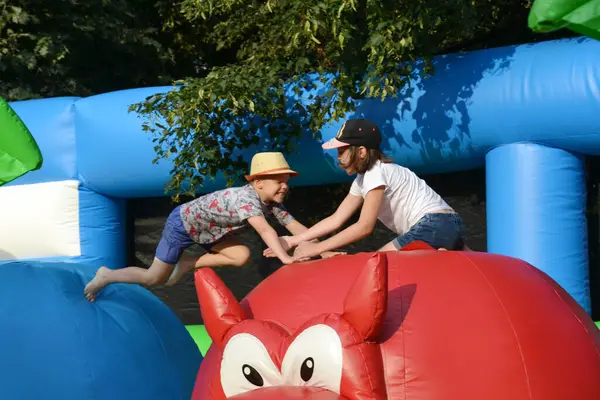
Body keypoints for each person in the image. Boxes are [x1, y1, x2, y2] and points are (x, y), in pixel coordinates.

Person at [84, 151, 342, 302]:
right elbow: (265, 231)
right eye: (278, 181)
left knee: (241, 256)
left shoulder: (272, 203)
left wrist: (326, 250)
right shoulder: (246, 199)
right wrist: (285, 257)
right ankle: (107, 275)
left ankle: (187, 263)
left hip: (210, 232)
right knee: (155, 278)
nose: (284, 186)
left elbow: (299, 230)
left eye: (287, 181)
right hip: (183, 224)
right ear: (259, 182)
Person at [268, 118, 466, 261]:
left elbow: (364, 227)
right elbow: (336, 219)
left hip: (431, 225)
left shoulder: (375, 173)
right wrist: (294, 240)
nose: (338, 157)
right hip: (449, 224)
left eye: (341, 151)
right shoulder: (365, 178)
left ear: (361, 151)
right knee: (472, 266)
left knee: (377, 265)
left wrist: (316, 248)